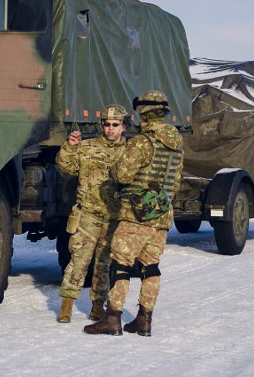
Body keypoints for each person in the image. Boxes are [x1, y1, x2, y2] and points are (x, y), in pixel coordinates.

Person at [84, 90, 183, 337]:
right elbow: (176, 182)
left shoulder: (142, 141)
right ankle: (144, 321)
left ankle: (113, 318)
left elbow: (123, 175)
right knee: (151, 267)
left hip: (136, 215)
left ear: (144, 113)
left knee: (121, 264)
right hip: (161, 215)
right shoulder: (177, 143)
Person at [55, 104, 128, 323]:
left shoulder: (130, 153)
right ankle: (66, 305)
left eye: (115, 125)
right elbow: (65, 166)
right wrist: (70, 146)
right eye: (107, 125)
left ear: (123, 126)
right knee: (79, 261)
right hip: (88, 214)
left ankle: (98, 306)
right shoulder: (87, 147)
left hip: (114, 216)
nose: (110, 129)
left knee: (104, 265)